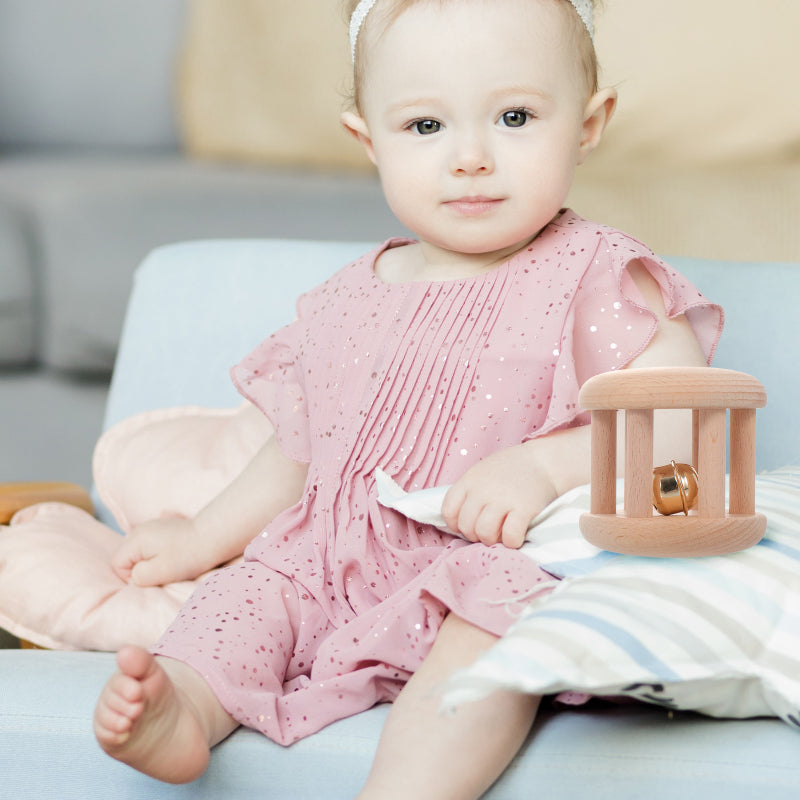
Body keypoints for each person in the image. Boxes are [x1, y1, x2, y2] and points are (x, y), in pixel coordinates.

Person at [94, 1, 722, 797]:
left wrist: (543, 465)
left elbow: (687, 428)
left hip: (491, 562)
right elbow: (303, 452)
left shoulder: (601, 279)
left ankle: (410, 789)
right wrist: (201, 535)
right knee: (248, 593)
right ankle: (183, 707)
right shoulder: (345, 300)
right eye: (425, 127)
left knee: (496, 622)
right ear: (369, 141)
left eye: (515, 116)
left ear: (589, 124)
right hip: (332, 562)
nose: (469, 157)